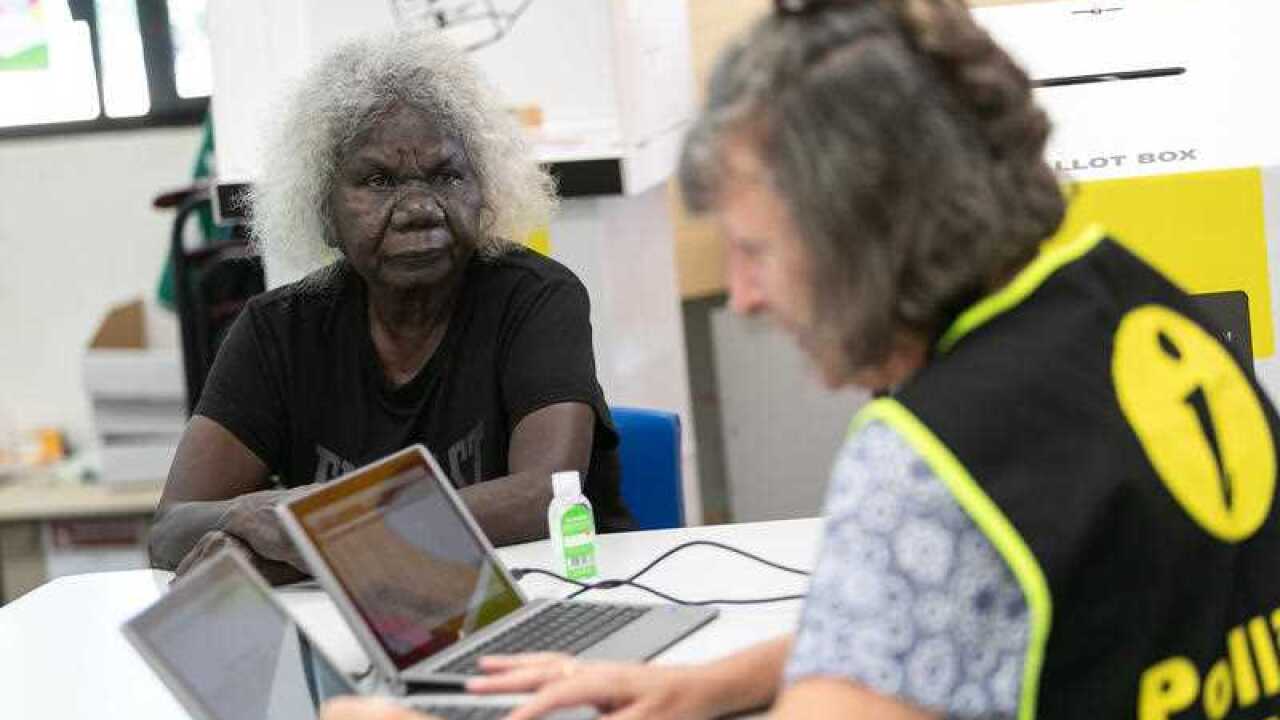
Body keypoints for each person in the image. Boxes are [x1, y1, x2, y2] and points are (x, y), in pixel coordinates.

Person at [320, 0, 1280, 718]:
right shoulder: (1128, 297)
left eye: (755, 249)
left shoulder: (929, 457)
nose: (743, 296)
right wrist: (697, 686)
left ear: (862, 228)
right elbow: (957, 610)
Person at [148, 30, 632, 583]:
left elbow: (541, 495)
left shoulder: (537, 298)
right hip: (370, 622)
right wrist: (245, 513)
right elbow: (169, 529)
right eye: (378, 180)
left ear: (487, 190)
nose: (420, 208)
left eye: (447, 175)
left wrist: (325, 533)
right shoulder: (276, 331)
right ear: (323, 209)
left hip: (556, 599)